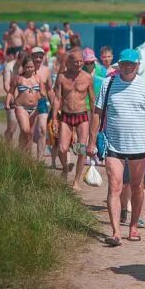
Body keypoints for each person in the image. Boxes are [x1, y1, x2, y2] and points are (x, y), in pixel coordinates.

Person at [86, 49, 145, 247]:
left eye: (132, 63)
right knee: (115, 186)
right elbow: (97, 113)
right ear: (119, 64)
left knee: (137, 187)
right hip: (113, 145)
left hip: (138, 146)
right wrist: (91, 141)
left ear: (138, 65)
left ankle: (134, 225)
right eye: (124, 63)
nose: (128, 67)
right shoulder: (108, 83)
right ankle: (116, 232)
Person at [53, 48, 95, 189]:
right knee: (62, 148)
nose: (78, 64)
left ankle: (76, 180)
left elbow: (92, 100)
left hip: (82, 115)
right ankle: (65, 168)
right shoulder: (62, 77)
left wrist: (95, 119)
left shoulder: (87, 77)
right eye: (75, 61)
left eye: (81, 61)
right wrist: (54, 119)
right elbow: (57, 99)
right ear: (69, 62)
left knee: (82, 150)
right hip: (65, 115)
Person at [5, 53, 55, 153]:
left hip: (34, 108)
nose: (30, 69)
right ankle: (22, 151)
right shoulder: (18, 79)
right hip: (21, 107)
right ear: (23, 67)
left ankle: (24, 153)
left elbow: (43, 91)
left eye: (31, 67)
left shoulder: (37, 78)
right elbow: (10, 92)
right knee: (25, 130)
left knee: (30, 133)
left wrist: (42, 94)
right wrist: (7, 103)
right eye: (27, 67)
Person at [30, 47, 54, 164]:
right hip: (28, 103)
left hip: (42, 102)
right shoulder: (26, 69)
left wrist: (54, 105)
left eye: (40, 57)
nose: (38, 59)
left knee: (43, 130)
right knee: (27, 131)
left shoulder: (46, 70)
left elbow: (49, 89)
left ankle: (39, 160)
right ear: (32, 57)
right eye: (36, 56)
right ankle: (25, 155)